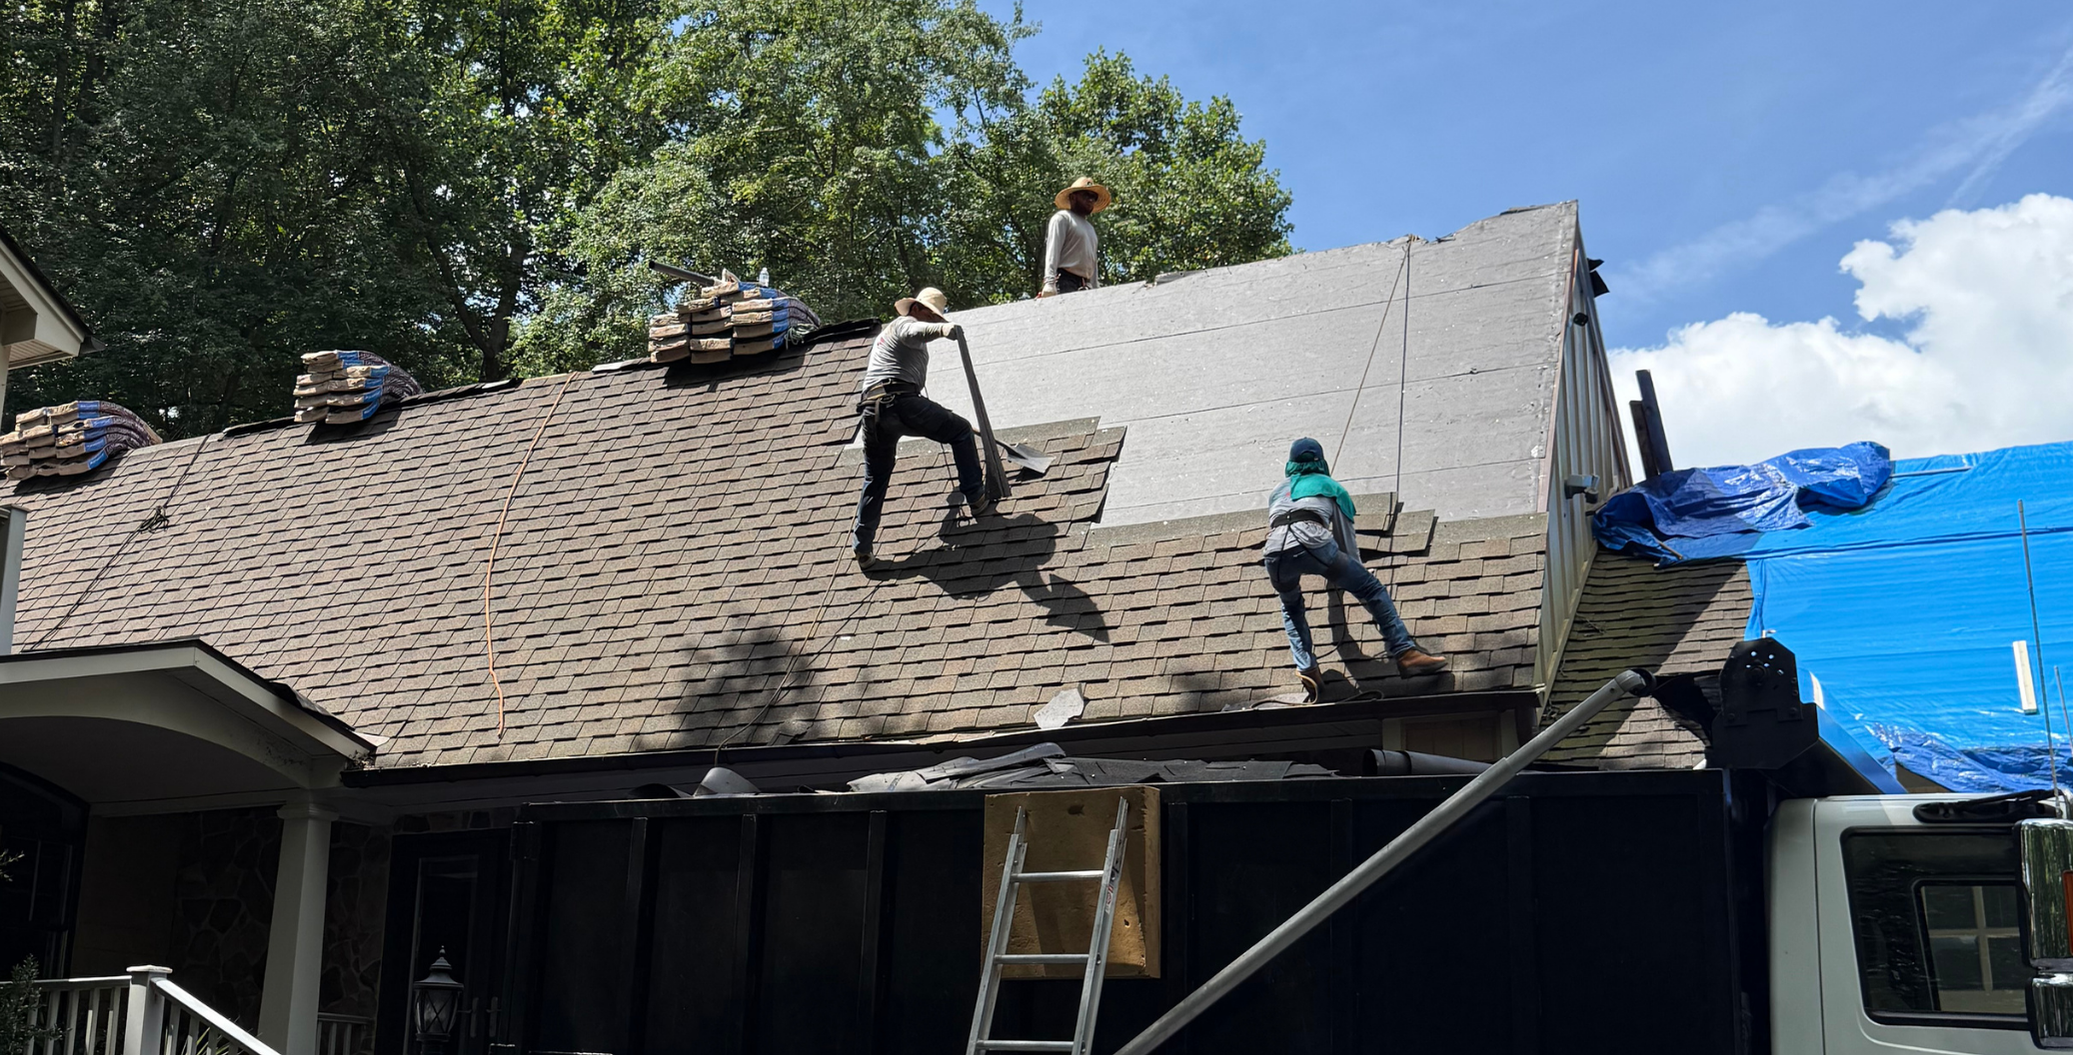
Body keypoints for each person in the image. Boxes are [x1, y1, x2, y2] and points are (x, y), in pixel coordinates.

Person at [1263, 438, 1448, 701]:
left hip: (1274, 552)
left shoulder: (1276, 492)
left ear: (1291, 464)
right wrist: (1353, 574)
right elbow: (1346, 544)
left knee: (1290, 605)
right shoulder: (1331, 487)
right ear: (1320, 462)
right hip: (1311, 541)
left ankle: (1307, 669)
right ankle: (1404, 651)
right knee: (1371, 589)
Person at [850, 287, 993, 567]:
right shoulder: (904, 324)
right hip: (899, 402)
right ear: (915, 308)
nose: (934, 321)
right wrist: (942, 330)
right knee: (960, 431)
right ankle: (976, 497)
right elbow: (913, 332)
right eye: (932, 315)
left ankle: (862, 548)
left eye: (937, 319)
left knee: (875, 477)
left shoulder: (890, 340)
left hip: (874, 413)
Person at [1038, 177, 1109, 297]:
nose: (1090, 200)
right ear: (1073, 197)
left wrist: (1096, 289)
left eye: (1094, 197)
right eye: (1086, 195)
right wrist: (1049, 282)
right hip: (1065, 282)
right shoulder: (1063, 218)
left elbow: (1092, 263)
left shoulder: (1090, 229)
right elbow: (1053, 251)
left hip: (1085, 286)